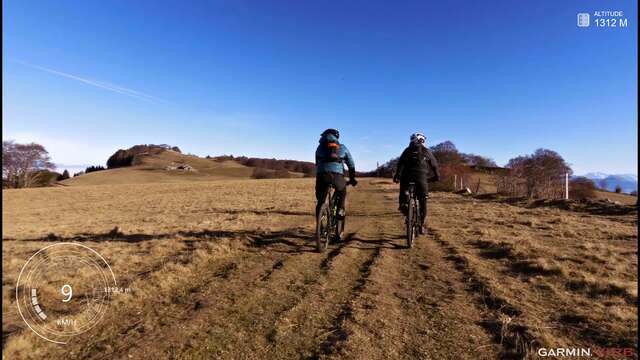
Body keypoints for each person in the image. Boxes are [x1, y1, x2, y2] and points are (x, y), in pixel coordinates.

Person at [393, 132, 440, 234]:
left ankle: (403, 204)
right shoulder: (426, 151)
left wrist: (397, 176)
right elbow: (434, 165)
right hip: (421, 178)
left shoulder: (407, 150)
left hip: (407, 177)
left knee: (403, 190)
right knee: (423, 201)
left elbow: (400, 163)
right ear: (422, 141)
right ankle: (421, 225)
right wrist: (436, 177)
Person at [315, 128, 357, 226]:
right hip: (337, 176)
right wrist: (352, 179)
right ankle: (340, 211)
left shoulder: (319, 148)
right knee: (342, 191)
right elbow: (351, 165)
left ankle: (319, 225)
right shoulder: (342, 147)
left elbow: (317, 164)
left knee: (320, 201)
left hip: (322, 176)